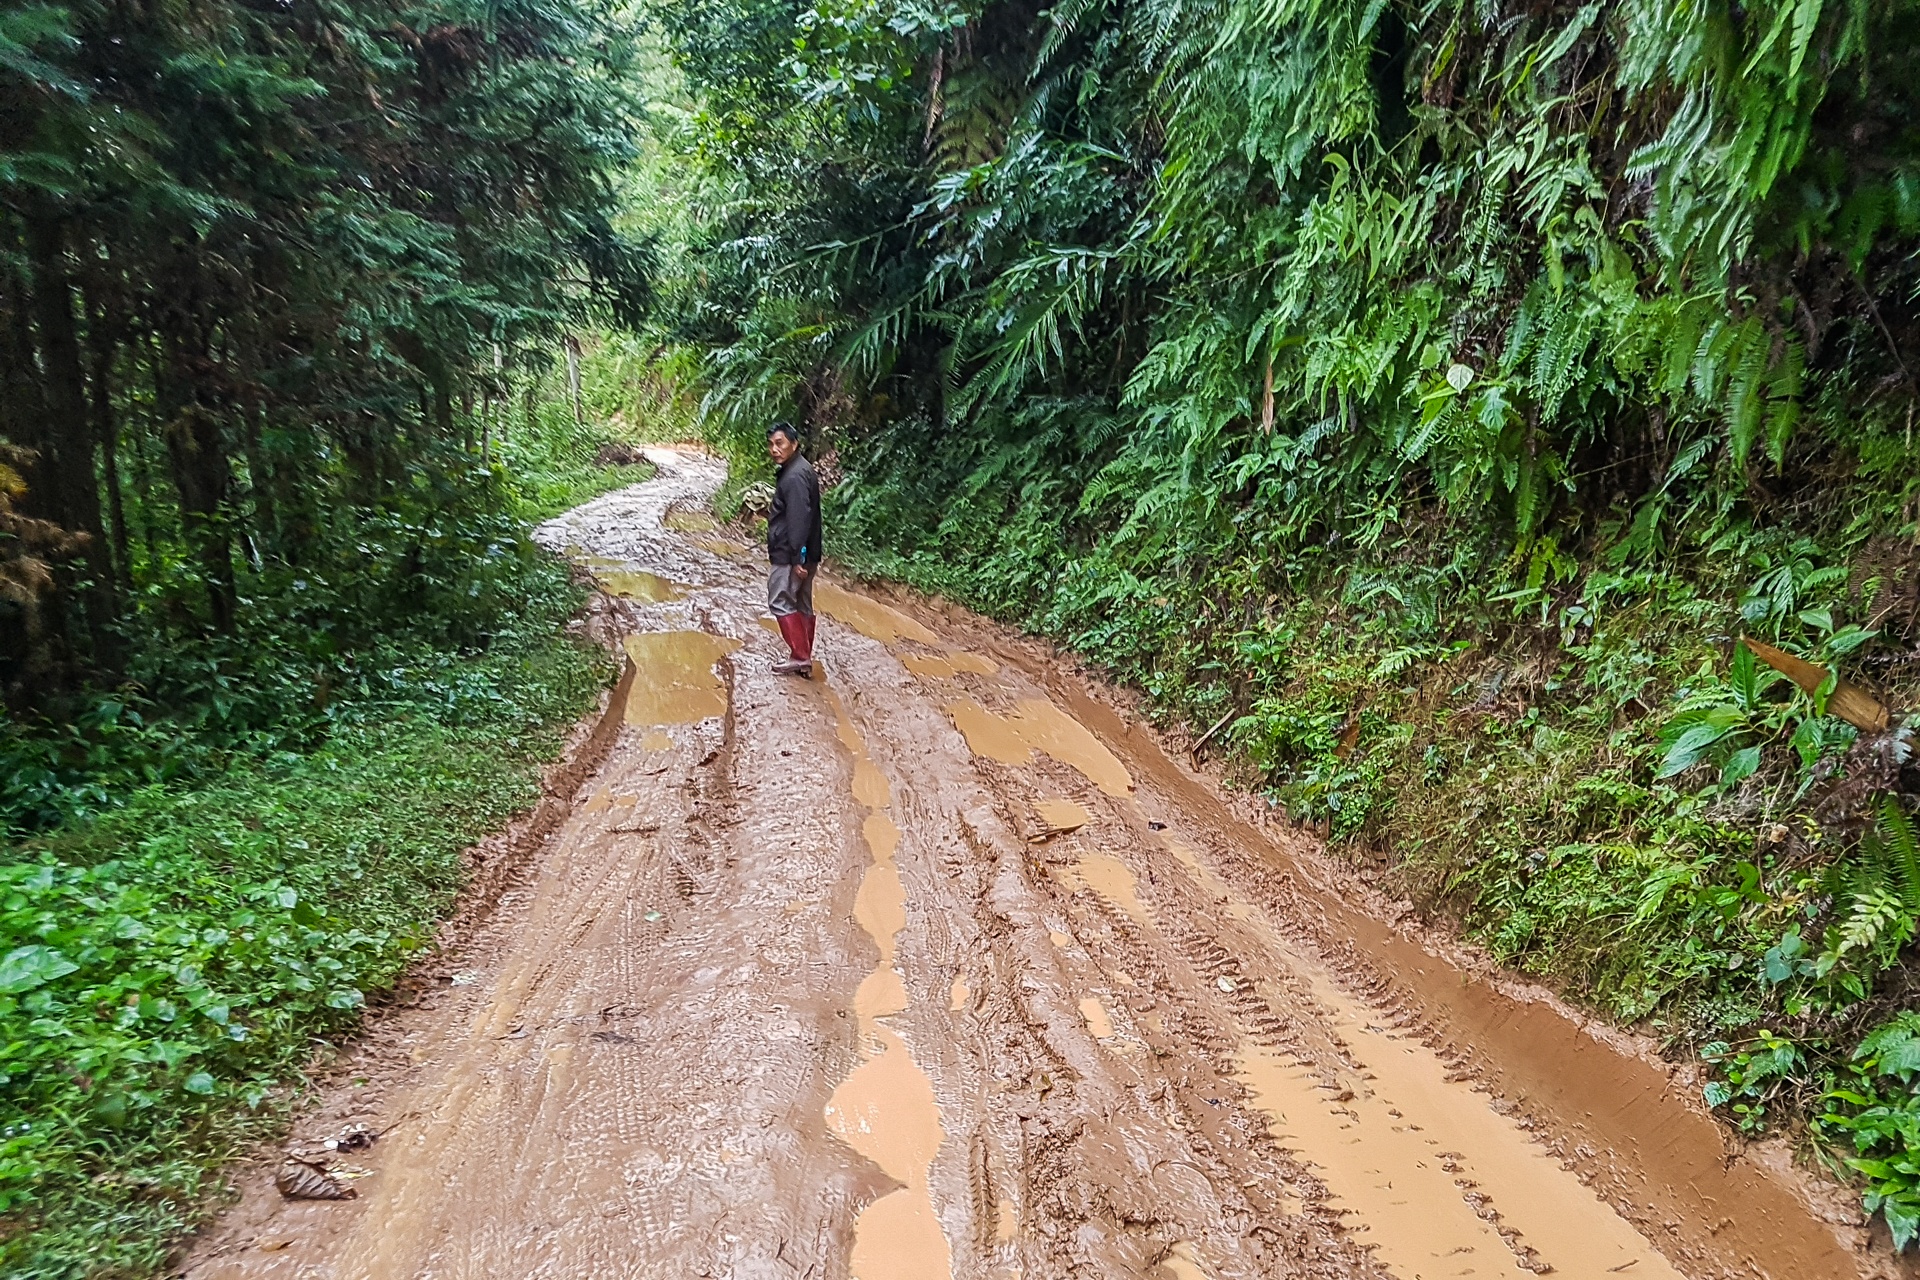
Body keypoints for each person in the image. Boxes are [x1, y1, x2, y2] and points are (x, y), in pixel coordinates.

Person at [765, 422, 822, 676]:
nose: (774, 449)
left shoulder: (795, 476)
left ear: (794, 444)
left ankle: (799, 656)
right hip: (804, 552)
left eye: (780, 443)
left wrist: (798, 557)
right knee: (801, 603)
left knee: (780, 599)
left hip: (791, 554)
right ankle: (804, 658)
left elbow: (800, 518)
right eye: (771, 445)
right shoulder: (799, 470)